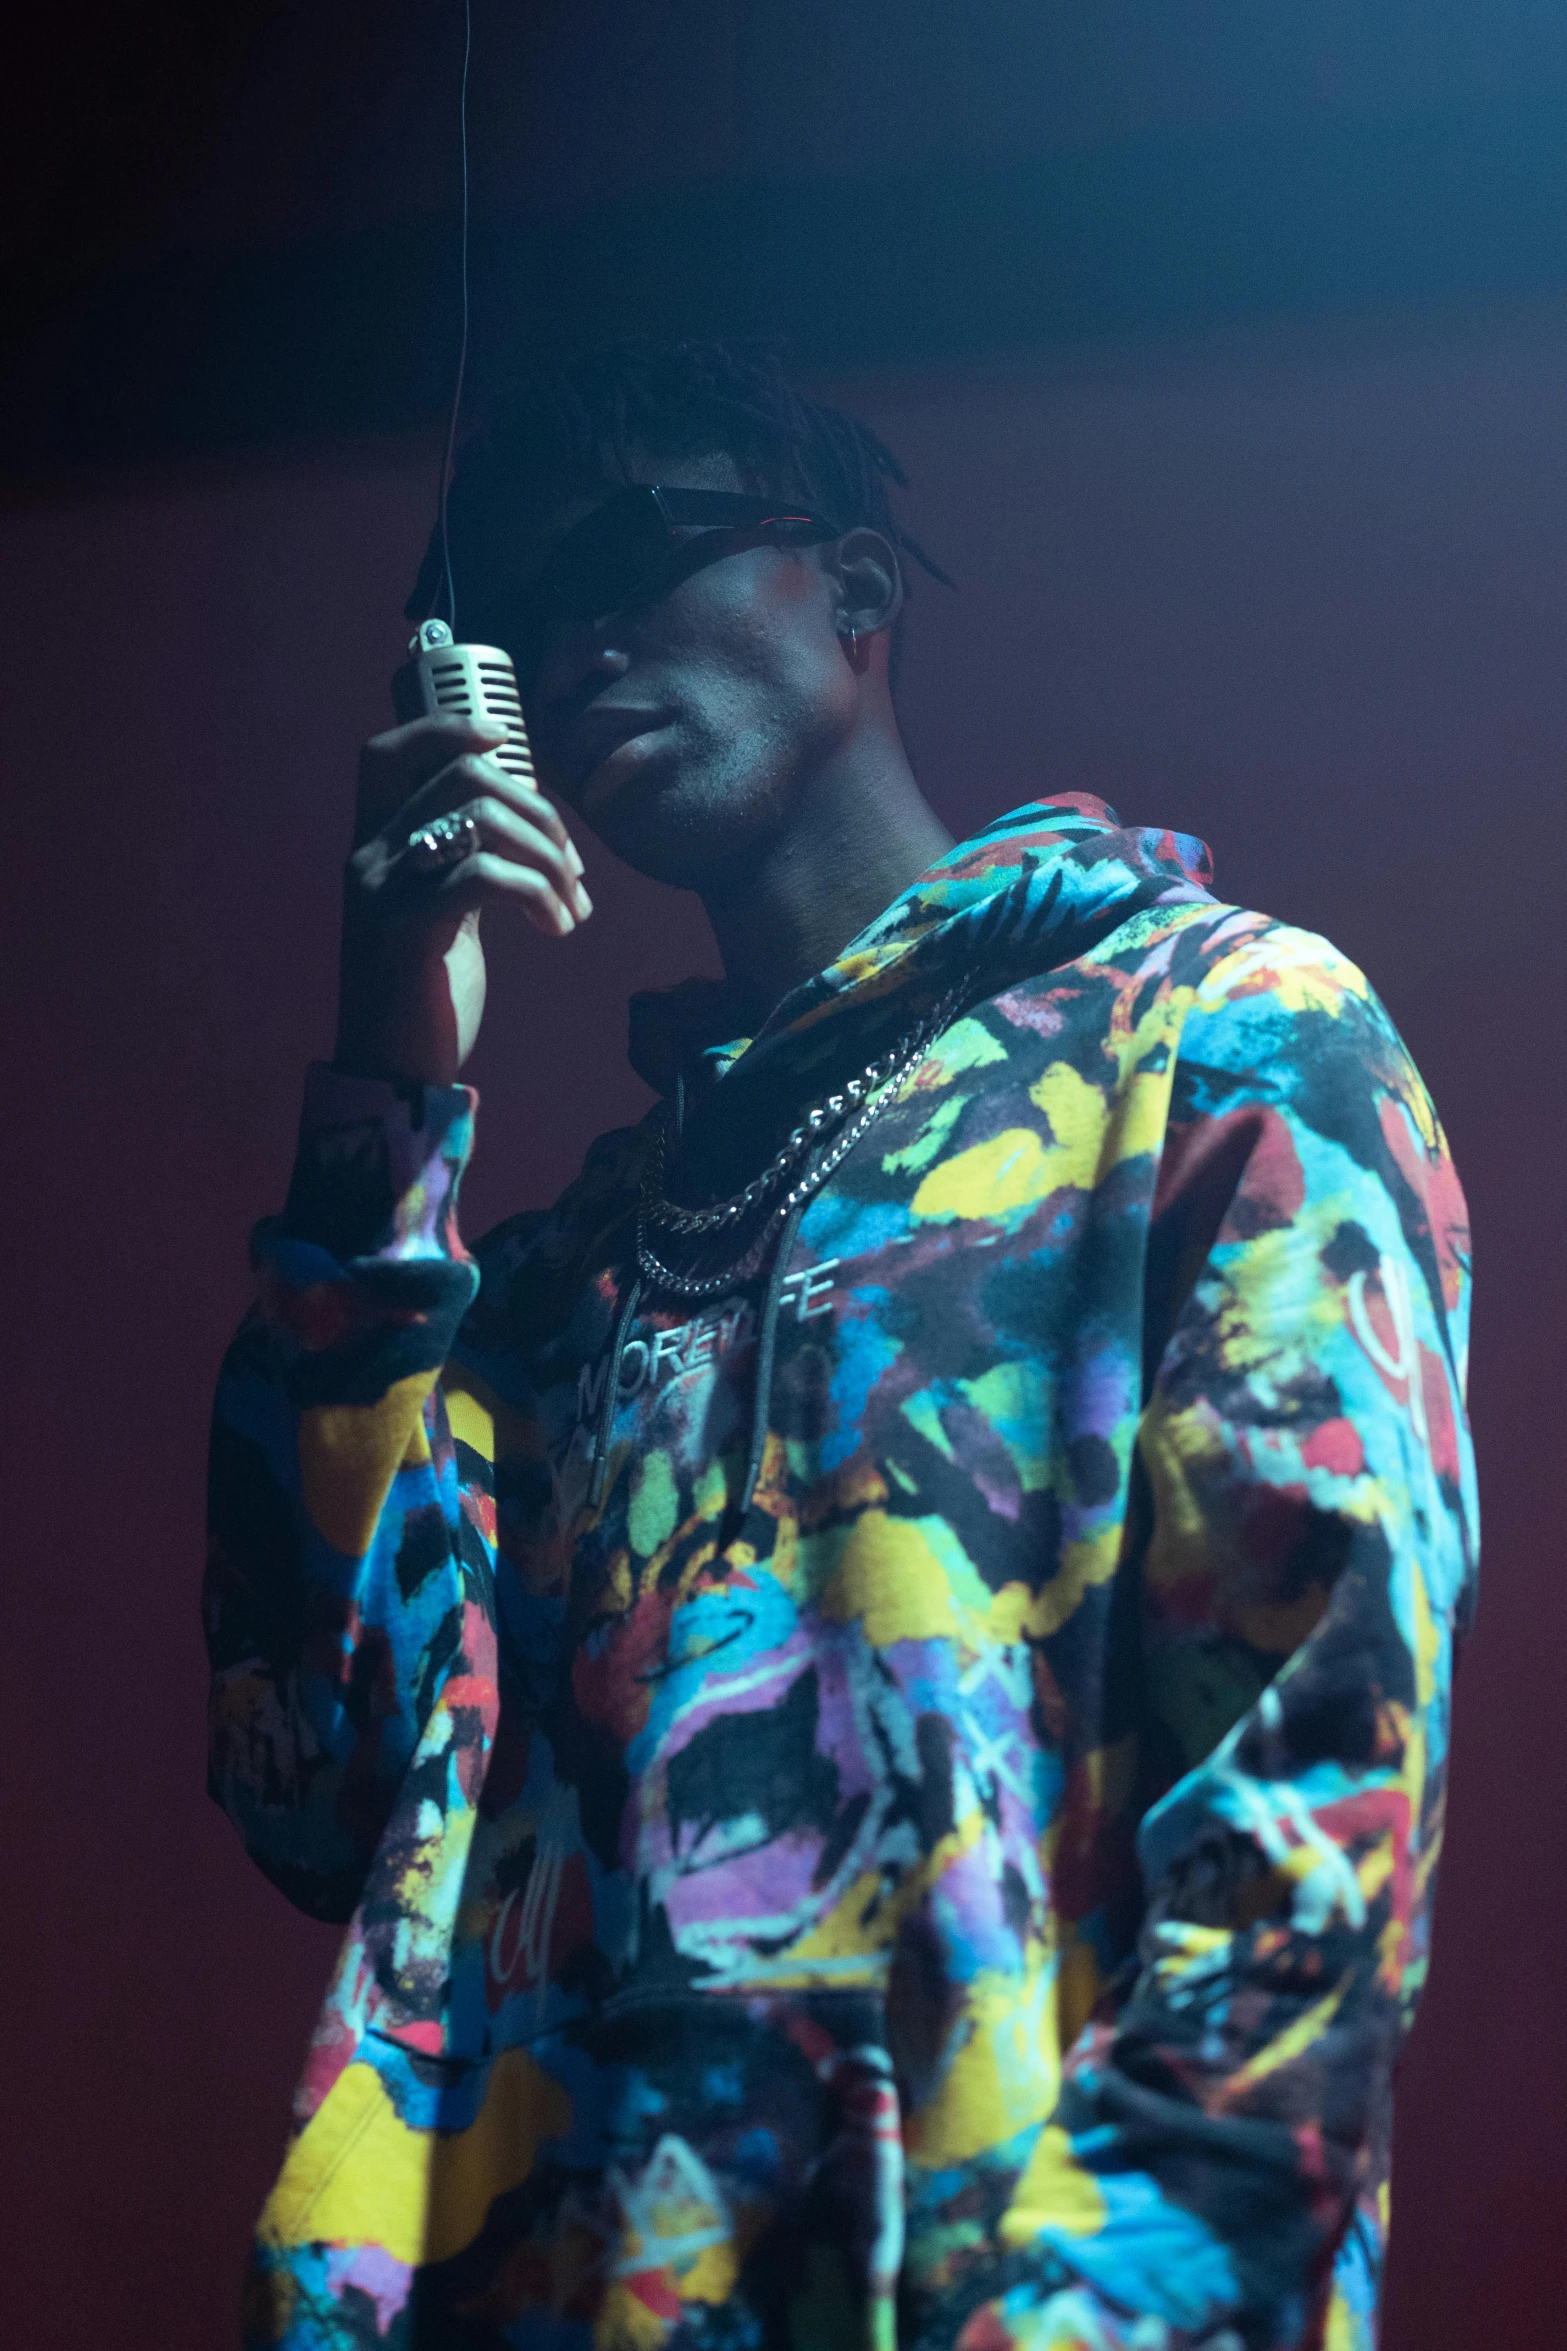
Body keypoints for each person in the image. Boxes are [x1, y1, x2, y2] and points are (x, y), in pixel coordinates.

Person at [205, 340, 1477, 2351]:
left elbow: (1315, 1788)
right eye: (520, 620)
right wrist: (381, 1087)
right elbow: (309, 1776)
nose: (580, 636)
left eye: (637, 546)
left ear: (858, 596)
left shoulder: (1213, 1040)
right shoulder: (546, 1286)